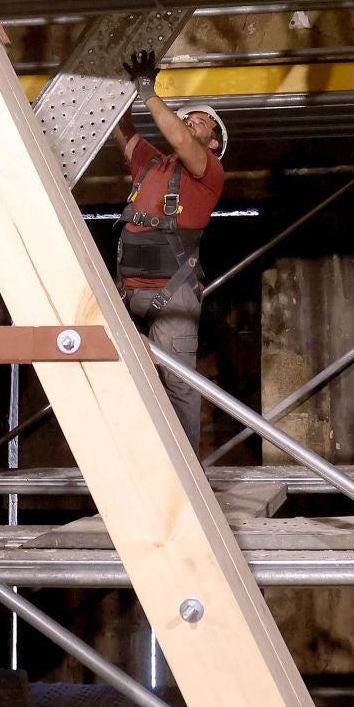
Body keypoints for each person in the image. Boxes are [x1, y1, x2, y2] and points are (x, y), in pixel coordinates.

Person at [110, 48, 228, 452]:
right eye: (188, 117)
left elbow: (179, 137)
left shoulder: (209, 173)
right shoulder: (151, 165)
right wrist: (119, 88)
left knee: (179, 384)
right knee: (119, 380)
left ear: (213, 142)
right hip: (127, 291)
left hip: (171, 295)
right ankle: (139, 462)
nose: (192, 122)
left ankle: (186, 471)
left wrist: (148, 90)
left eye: (202, 123)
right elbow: (120, 128)